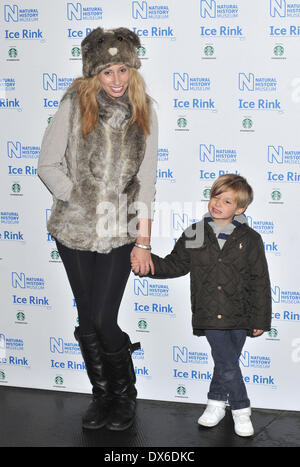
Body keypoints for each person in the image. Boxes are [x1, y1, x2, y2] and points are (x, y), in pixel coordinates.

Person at [38, 27, 158, 431]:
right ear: (94, 73)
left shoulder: (144, 110)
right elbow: (47, 164)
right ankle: (102, 395)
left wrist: (143, 239)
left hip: (120, 232)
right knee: (88, 317)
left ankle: (124, 396)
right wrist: (76, 197)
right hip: (73, 231)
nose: (117, 80)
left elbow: (148, 181)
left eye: (123, 69)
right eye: (107, 72)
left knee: (106, 318)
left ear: (132, 69)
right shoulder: (74, 103)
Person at [132, 174, 272, 437]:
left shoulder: (250, 238)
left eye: (227, 201)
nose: (217, 203)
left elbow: (260, 281)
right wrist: (147, 264)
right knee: (227, 362)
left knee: (225, 362)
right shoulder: (195, 233)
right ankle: (242, 410)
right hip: (210, 313)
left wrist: (260, 320)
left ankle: (216, 402)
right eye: (215, 197)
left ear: (240, 209)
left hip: (242, 314)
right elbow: (175, 264)